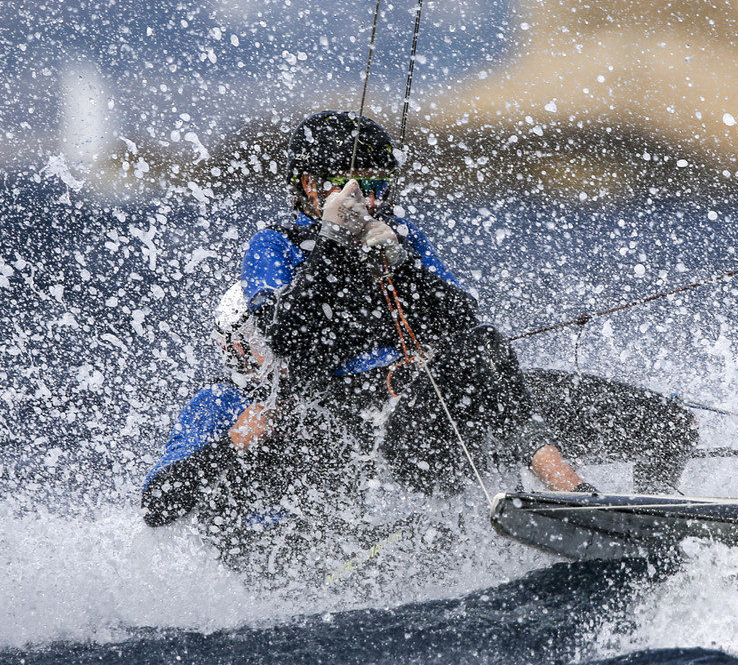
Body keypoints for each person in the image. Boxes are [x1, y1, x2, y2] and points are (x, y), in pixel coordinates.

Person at [142, 110, 694, 565]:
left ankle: (646, 533)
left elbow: (460, 321)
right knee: (479, 356)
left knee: (666, 423)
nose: (371, 201)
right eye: (355, 187)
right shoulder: (275, 247)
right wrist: (334, 243)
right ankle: (568, 489)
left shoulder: (402, 236)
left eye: (380, 186)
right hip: (374, 432)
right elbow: (293, 340)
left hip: (450, 398)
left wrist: (403, 265)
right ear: (309, 186)